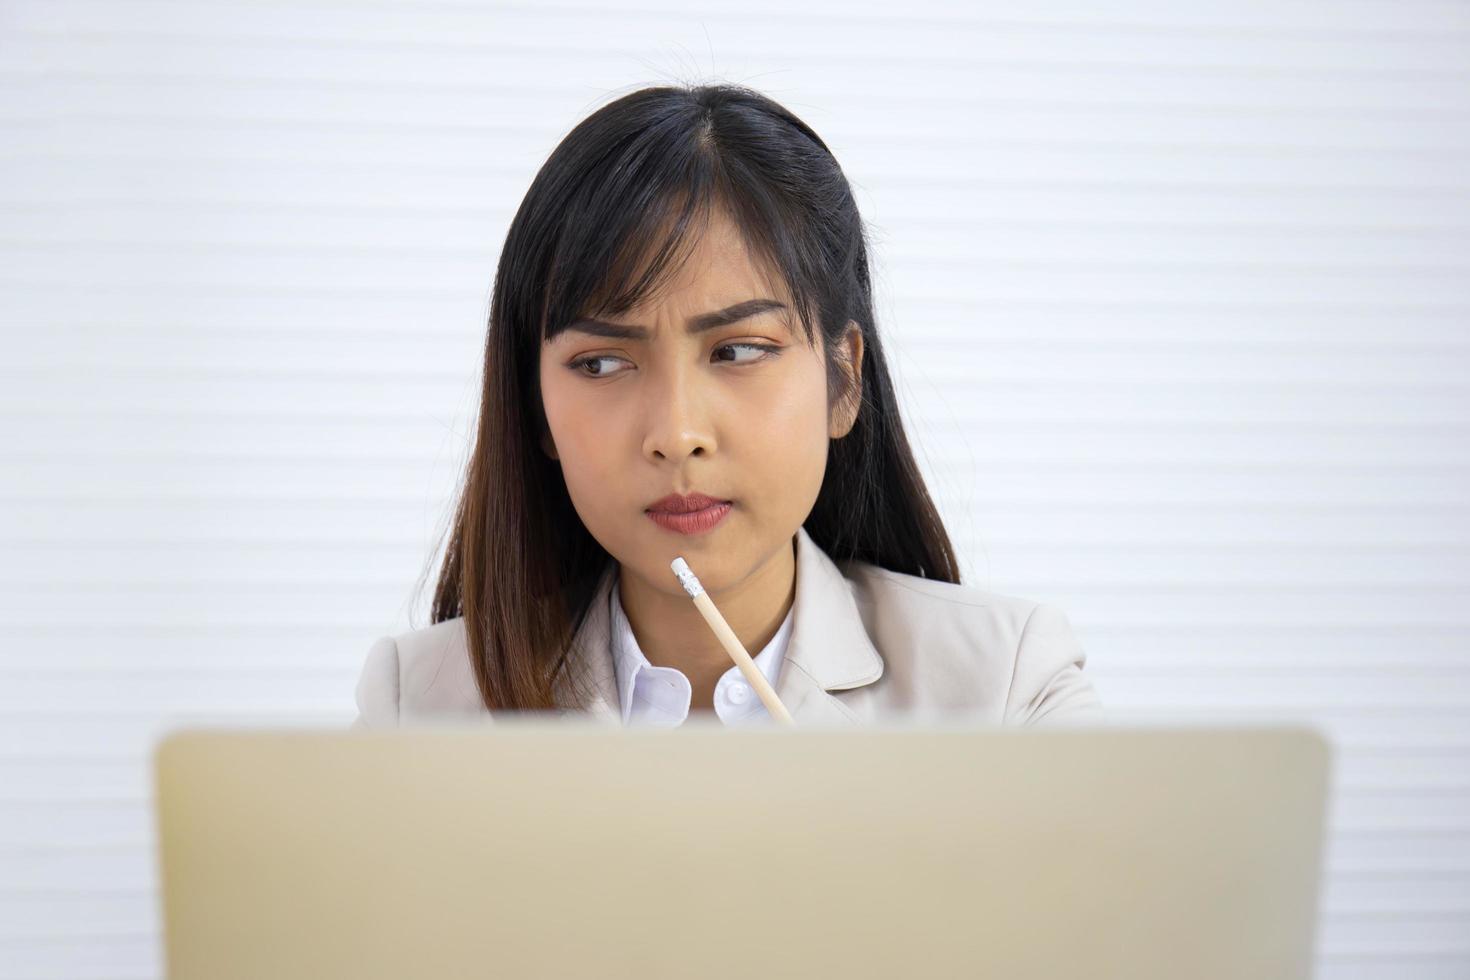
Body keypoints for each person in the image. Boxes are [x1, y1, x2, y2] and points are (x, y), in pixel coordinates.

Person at [351, 83, 1104, 730]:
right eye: (604, 362)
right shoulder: (420, 707)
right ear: (537, 409)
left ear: (842, 381)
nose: (677, 435)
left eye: (738, 351)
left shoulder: (1006, 687)